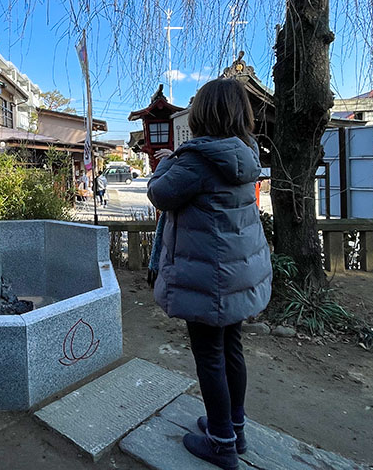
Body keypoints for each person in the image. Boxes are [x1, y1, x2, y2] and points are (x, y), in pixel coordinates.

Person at [147, 78, 271, 470]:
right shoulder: (245, 154)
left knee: (209, 356)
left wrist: (167, 161)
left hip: (207, 278)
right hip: (236, 274)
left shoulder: (197, 161)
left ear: (203, 115)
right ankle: (235, 427)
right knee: (230, 349)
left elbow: (159, 193)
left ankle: (221, 443)